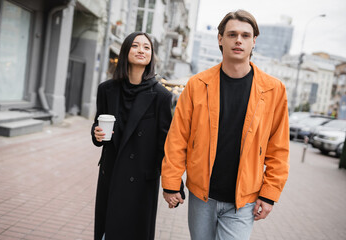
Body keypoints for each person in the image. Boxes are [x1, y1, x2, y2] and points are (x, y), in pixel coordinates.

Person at [161, 10, 290, 240]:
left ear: (253, 42)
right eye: (232, 34)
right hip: (202, 196)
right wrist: (171, 182)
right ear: (220, 39)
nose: (238, 40)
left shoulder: (274, 90)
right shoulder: (197, 85)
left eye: (245, 35)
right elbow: (177, 137)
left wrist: (269, 194)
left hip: (243, 201)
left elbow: (278, 148)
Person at [91, 31, 172, 240]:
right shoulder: (106, 90)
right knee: (107, 232)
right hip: (111, 174)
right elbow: (97, 127)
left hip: (141, 180)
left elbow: (166, 145)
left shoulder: (161, 97)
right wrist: (96, 134)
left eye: (146, 47)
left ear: (151, 56)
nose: (141, 50)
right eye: (135, 45)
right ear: (126, 50)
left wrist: (173, 184)